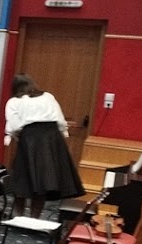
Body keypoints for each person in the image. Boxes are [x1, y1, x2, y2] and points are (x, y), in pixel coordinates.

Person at [4, 74, 83, 218]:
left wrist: (16, 137)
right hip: (51, 138)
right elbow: (60, 120)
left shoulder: (14, 101)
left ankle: (17, 218)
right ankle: (34, 219)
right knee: (43, 183)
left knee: (22, 182)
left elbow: (14, 126)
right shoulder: (48, 96)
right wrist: (62, 136)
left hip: (29, 139)